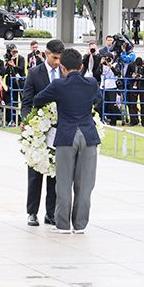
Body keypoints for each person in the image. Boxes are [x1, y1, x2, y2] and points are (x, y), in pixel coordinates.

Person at [33, 48, 102, 234]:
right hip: (88, 135)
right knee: (85, 183)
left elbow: (38, 99)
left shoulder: (59, 85)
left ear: (62, 67)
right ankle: (80, 224)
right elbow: (98, 100)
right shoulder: (92, 83)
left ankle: (62, 224)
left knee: (63, 182)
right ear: (81, 67)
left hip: (66, 135)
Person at [22, 39, 65, 227]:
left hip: (59, 128)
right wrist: (27, 122)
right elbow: (27, 101)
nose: (57, 62)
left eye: (60, 58)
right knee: (35, 171)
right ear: (46, 54)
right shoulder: (34, 73)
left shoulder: (64, 72)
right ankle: (32, 212)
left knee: (55, 172)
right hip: (38, 128)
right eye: (54, 58)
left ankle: (51, 212)